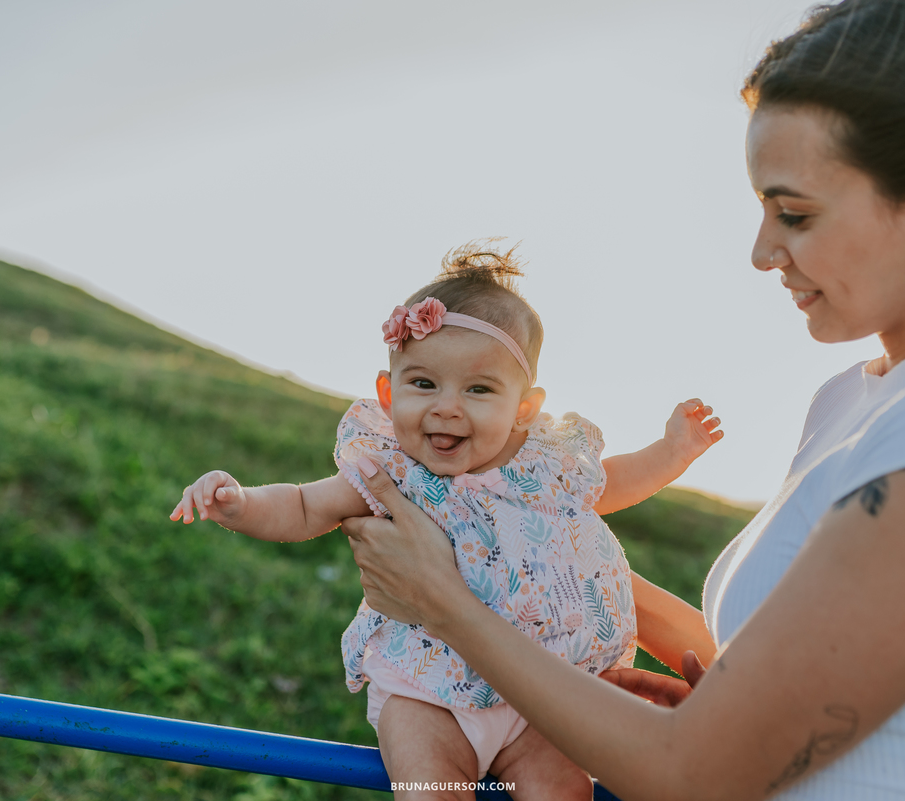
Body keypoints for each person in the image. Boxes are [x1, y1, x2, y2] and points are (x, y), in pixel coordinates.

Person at [339, 1, 905, 798]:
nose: (761, 252)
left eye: (794, 213)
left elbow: (694, 773)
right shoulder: (854, 399)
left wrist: (447, 602)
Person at [170, 244, 723, 799]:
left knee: (565, 793)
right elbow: (304, 505)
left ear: (524, 408)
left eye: (478, 390)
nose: (446, 407)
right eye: (423, 384)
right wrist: (239, 503)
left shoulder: (548, 464)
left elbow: (614, 482)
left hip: (537, 694)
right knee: (432, 790)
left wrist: (672, 452)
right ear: (388, 394)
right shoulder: (390, 467)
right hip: (426, 694)